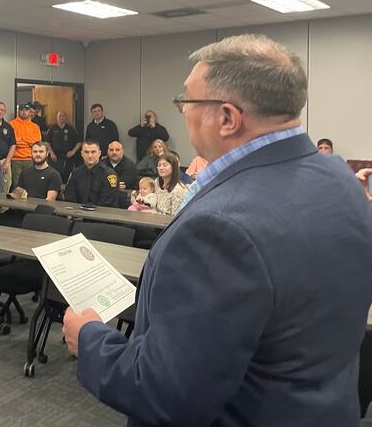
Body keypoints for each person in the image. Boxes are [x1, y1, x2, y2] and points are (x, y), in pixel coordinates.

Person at [63, 33, 372, 426]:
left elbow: (166, 392)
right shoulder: (341, 179)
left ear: (227, 118)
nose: (183, 112)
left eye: (187, 101)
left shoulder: (220, 228)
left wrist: (89, 337)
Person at [64, 141, 119, 208]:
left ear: (99, 153)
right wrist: (74, 213)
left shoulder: (109, 175)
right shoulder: (76, 172)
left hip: (100, 215)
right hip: (76, 213)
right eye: (86, 152)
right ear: (81, 154)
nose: (90, 156)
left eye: (93, 152)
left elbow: (106, 202)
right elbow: (69, 196)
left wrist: (84, 215)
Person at [10, 103, 41, 190]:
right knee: (16, 184)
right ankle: (16, 203)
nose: (24, 112)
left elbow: (36, 143)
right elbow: (13, 142)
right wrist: (28, 141)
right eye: (22, 110)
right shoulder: (11, 124)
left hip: (29, 159)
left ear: (29, 112)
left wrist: (22, 139)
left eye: (26, 110)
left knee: (30, 183)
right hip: (16, 159)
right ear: (18, 111)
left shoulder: (35, 127)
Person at [46, 110, 81, 182]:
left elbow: (79, 142)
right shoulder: (52, 128)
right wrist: (51, 153)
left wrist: (73, 152)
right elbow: (47, 142)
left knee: (67, 176)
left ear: (66, 117)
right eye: (60, 116)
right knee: (55, 176)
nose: (61, 117)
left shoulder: (71, 129)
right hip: (55, 156)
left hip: (68, 157)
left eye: (63, 116)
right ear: (57, 117)